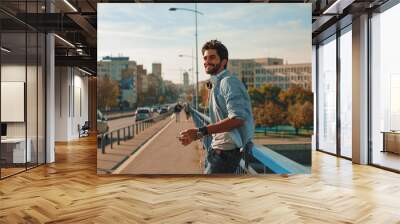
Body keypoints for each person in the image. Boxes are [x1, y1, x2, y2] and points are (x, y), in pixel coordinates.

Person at [178, 40, 254, 174]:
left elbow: (238, 118)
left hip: (225, 154)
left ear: (224, 62)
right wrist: (197, 134)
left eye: (212, 57)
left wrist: (199, 132)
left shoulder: (228, 82)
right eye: (205, 58)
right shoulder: (216, 84)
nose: (207, 61)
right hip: (217, 151)